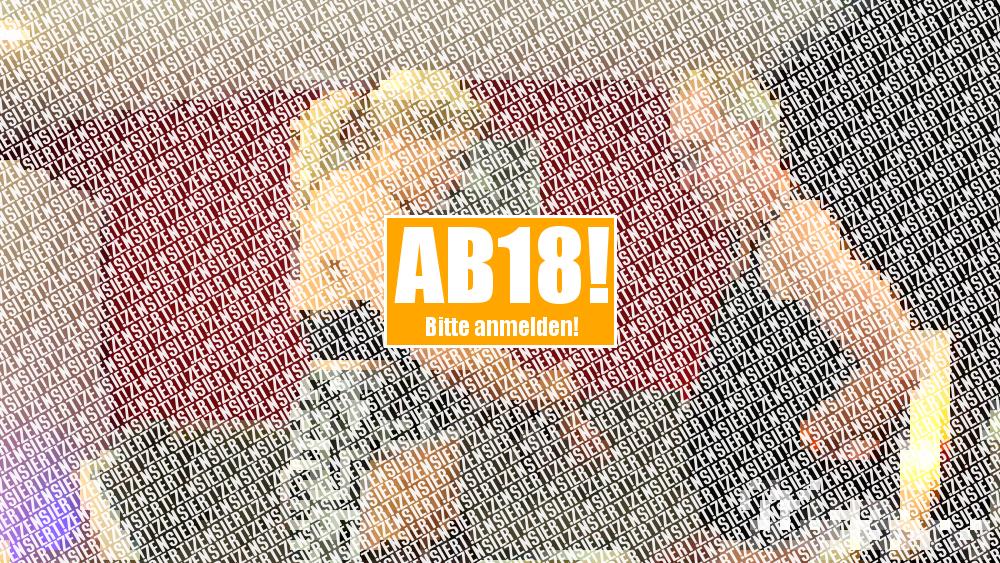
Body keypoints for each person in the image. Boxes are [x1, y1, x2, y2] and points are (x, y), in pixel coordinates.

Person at [663, 66, 934, 561]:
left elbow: (904, 357)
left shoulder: (794, 236)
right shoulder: (756, 245)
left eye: (696, 154)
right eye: (677, 160)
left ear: (752, 139)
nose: (686, 178)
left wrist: (812, 439)